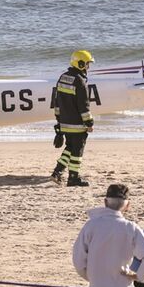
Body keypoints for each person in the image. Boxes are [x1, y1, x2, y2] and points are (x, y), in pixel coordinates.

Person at [51, 50, 95, 187]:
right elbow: (84, 106)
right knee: (77, 151)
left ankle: (57, 172)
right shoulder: (80, 81)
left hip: (64, 122)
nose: (88, 67)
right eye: (87, 64)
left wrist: (59, 120)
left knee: (70, 147)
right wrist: (89, 122)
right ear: (81, 64)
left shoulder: (62, 77)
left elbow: (56, 101)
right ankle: (73, 178)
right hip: (77, 124)